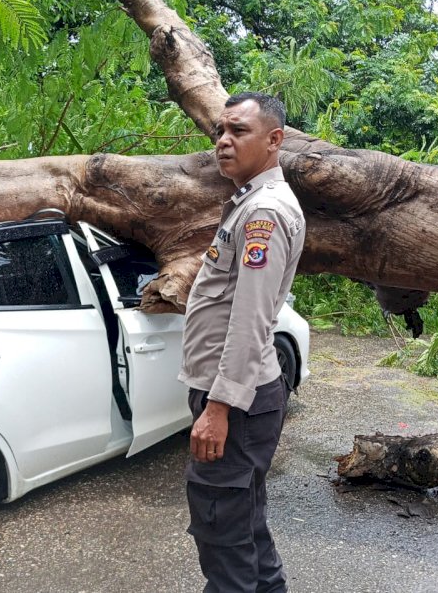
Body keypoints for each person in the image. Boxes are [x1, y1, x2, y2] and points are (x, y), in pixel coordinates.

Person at [178, 92, 306, 593]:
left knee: (222, 532)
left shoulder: (263, 214)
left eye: (239, 132)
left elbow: (251, 319)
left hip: (238, 402)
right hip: (242, 398)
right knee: (244, 523)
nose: (223, 142)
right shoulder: (249, 202)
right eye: (220, 132)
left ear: (274, 140)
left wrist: (219, 407)